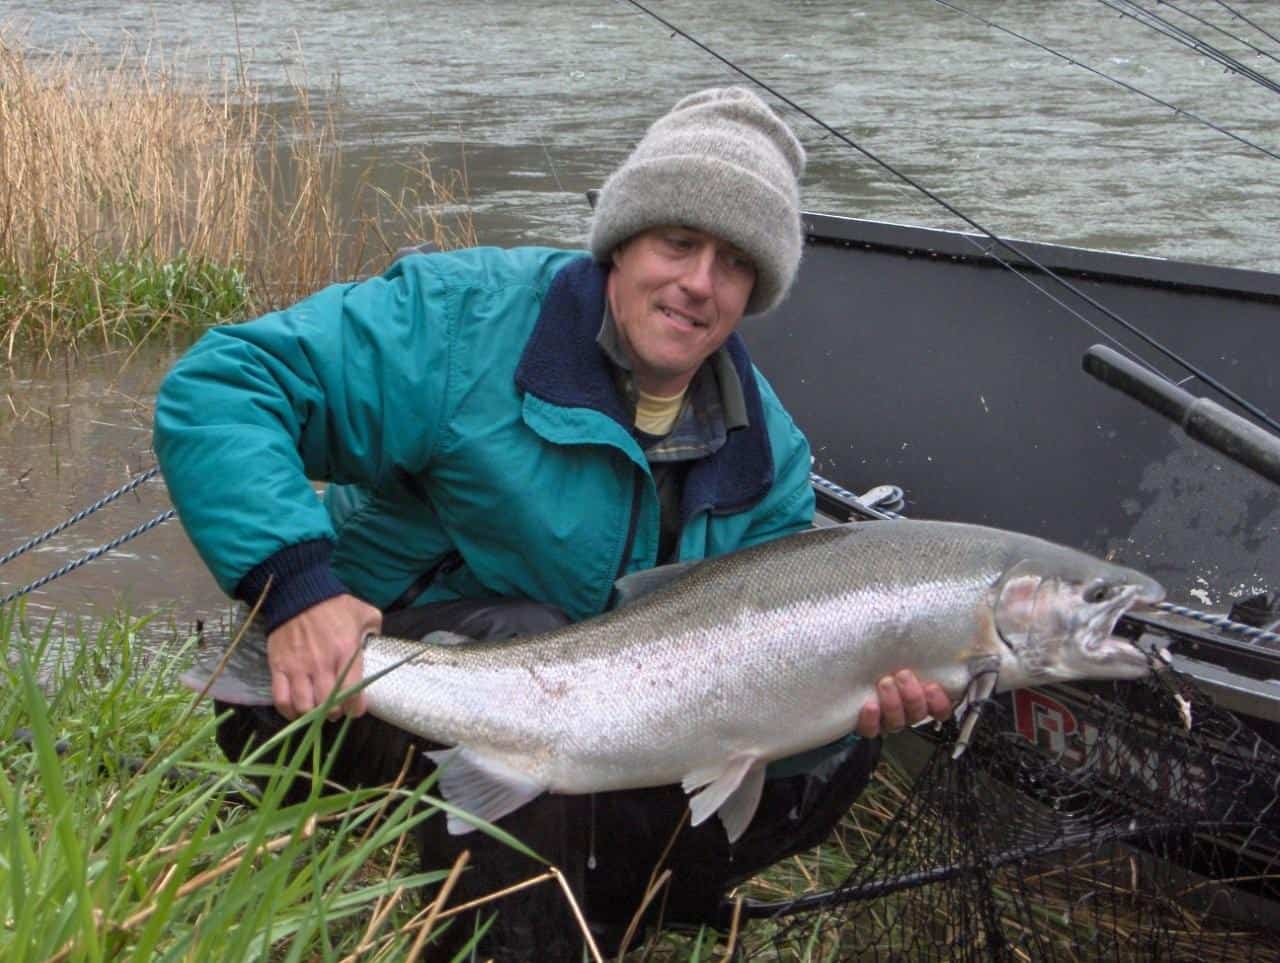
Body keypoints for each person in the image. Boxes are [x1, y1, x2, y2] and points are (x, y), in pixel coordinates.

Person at [154, 86, 951, 960]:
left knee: (837, 753)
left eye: (733, 262)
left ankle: (601, 906)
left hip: (587, 723)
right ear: (620, 242)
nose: (697, 283)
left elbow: (756, 710)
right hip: (336, 696)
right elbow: (224, 385)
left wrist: (839, 707)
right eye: (677, 242)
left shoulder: (769, 458)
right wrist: (300, 587)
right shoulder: (465, 322)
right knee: (531, 645)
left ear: (755, 289)